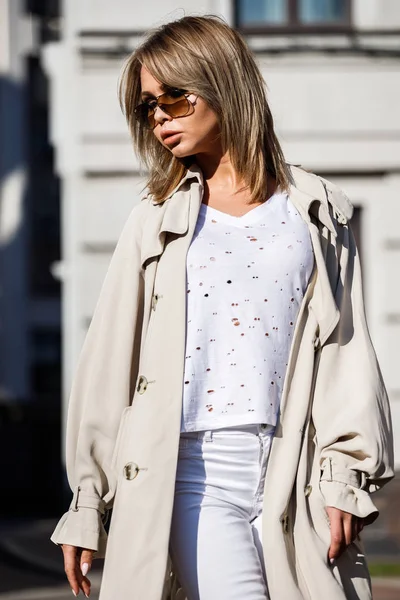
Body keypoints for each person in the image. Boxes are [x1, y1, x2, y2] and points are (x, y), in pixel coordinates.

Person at [50, 14, 394, 600]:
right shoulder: (156, 223)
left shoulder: (314, 213)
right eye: (147, 106)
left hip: (295, 470)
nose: (159, 115)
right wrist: (88, 500)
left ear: (222, 84)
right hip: (190, 473)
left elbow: (347, 352)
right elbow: (110, 364)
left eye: (175, 97)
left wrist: (344, 472)